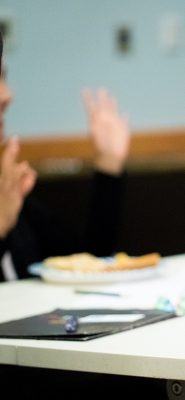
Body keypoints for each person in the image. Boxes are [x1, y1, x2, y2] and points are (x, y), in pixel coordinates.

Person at [0, 34, 130, 280]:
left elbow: (89, 261)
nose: (7, 95)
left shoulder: (6, 185)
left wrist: (108, 166)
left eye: (4, 76)